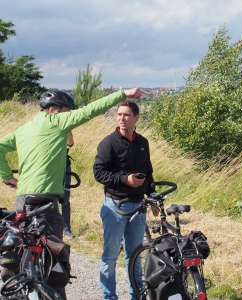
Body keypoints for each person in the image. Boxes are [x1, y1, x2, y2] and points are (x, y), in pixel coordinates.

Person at [0, 87, 144, 298]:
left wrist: (7, 177)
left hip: (23, 200)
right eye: (67, 111)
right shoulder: (57, 121)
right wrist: (123, 94)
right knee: (55, 258)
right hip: (46, 202)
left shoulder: (25, 129)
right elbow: (90, 110)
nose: (68, 115)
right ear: (55, 110)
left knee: (24, 246)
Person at [93, 101, 155, 300]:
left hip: (138, 207)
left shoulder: (143, 142)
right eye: (119, 114)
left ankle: (135, 296)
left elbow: (148, 172)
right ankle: (109, 297)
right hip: (115, 207)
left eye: (126, 115)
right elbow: (99, 173)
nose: (122, 118)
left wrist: (151, 196)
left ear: (136, 118)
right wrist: (124, 180)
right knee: (110, 257)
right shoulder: (108, 142)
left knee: (135, 256)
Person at [62, 131, 74, 239]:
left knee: (65, 199)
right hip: (49, 167)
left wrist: (68, 129)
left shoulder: (64, 125)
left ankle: (66, 229)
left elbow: (70, 143)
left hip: (64, 166)